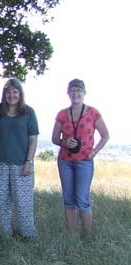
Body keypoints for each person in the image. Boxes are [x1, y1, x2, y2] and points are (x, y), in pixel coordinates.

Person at [0, 79, 39, 238]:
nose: (11, 95)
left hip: (21, 163)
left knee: (23, 202)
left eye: (15, 92)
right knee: (2, 200)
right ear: (4, 93)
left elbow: (33, 140)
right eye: (8, 92)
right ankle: (4, 235)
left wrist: (29, 161)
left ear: (20, 93)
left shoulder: (28, 112)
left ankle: (28, 234)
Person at [51, 79, 109, 239]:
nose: (75, 93)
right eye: (72, 90)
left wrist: (94, 152)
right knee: (68, 200)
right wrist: (64, 142)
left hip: (84, 161)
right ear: (68, 93)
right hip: (65, 161)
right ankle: (71, 236)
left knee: (82, 199)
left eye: (79, 90)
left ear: (84, 93)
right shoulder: (62, 114)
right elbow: (54, 138)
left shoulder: (93, 113)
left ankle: (87, 237)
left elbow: (105, 135)